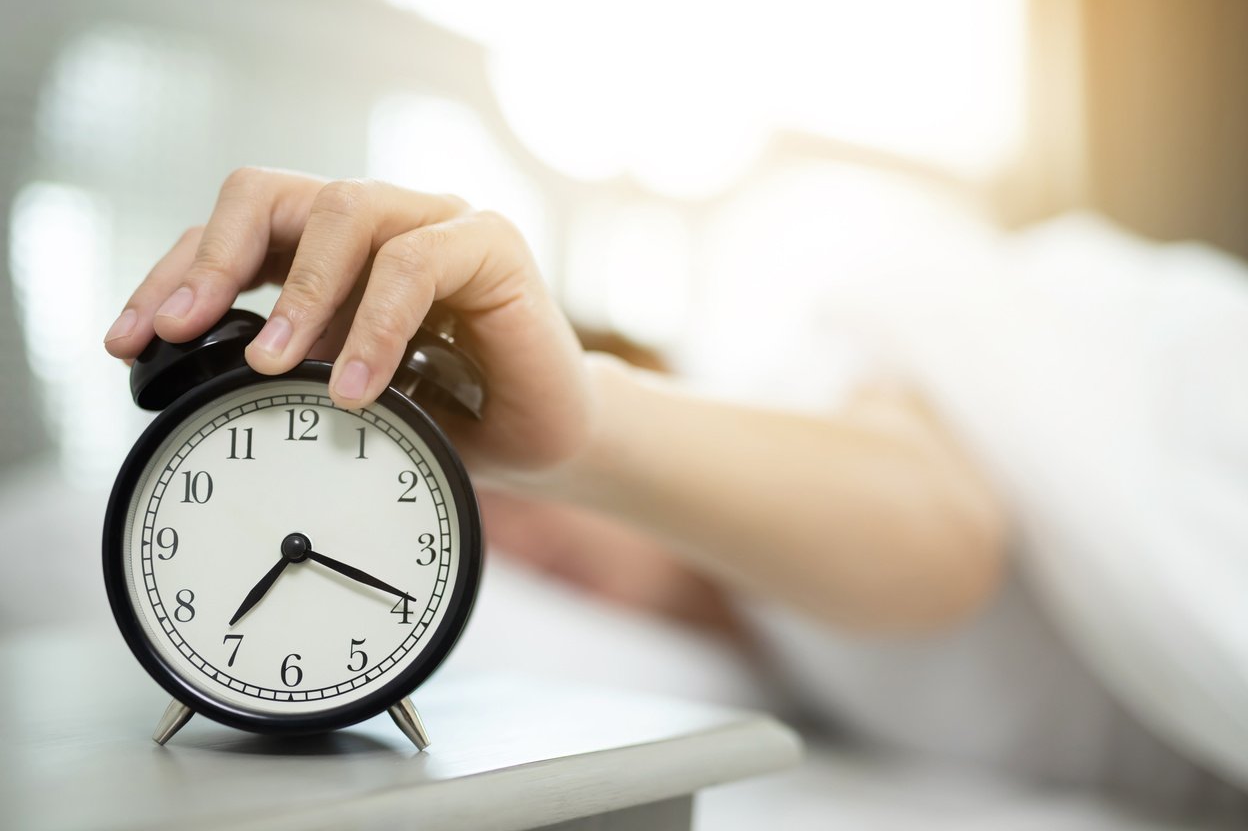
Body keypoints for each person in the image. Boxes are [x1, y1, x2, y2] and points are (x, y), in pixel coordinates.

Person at [103, 169, 1248, 818]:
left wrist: (590, 428)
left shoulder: (822, 380)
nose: (516, 539)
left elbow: (945, 531)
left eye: (520, 500)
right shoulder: (758, 660)